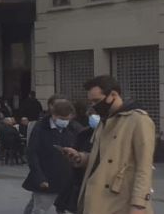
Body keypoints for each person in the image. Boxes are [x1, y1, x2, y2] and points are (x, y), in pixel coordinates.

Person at [61, 75, 156, 214]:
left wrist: (139, 204)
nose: (93, 106)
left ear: (113, 95)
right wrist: (80, 157)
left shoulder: (138, 120)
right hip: (97, 195)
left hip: (121, 200)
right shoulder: (104, 121)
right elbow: (101, 158)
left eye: (97, 101)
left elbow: (144, 166)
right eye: (91, 102)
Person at [21, 99, 77, 214]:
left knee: (65, 209)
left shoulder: (72, 128)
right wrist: (40, 177)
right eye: (63, 119)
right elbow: (32, 153)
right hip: (46, 178)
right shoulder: (40, 128)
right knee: (40, 209)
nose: (66, 122)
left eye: (68, 119)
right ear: (54, 115)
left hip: (67, 179)